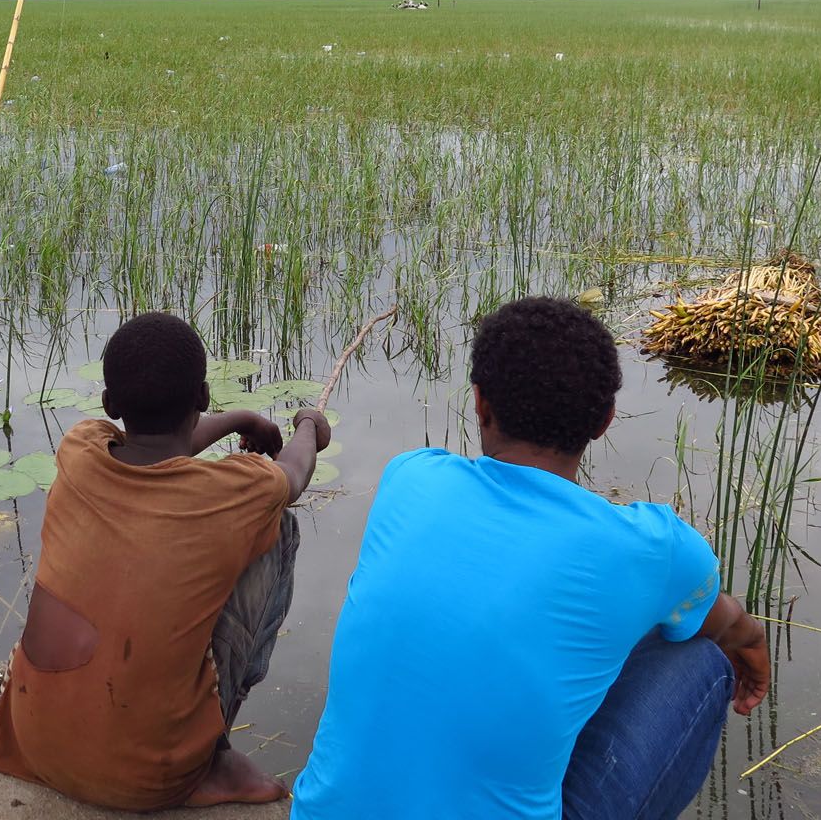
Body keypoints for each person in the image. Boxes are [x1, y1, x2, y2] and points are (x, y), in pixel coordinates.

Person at [292, 297, 770, 820]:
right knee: (698, 652)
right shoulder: (652, 548)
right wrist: (751, 642)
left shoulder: (410, 476)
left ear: (480, 403)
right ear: (605, 420)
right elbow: (730, 625)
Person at [0, 311, 331, 809]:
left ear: (109, 403)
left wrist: (241, 420)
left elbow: (154, 449)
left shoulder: (80, 449)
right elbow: (293, 477)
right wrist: (308, 426)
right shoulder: (238, 492)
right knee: (279, 528)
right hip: (148, 779)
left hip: (32, 744)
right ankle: (211, 751)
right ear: (202, 398)